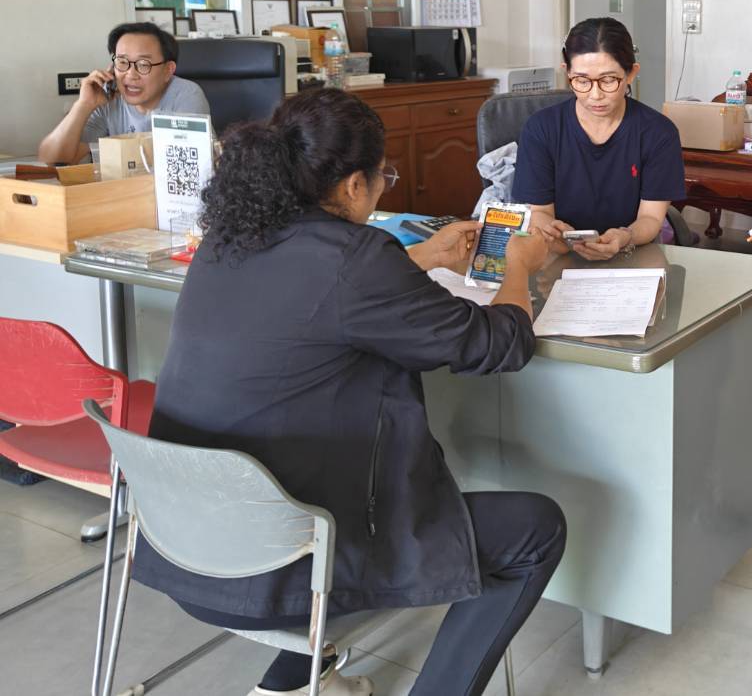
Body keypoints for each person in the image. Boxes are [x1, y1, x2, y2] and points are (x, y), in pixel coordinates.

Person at [132, 88, 563, 696]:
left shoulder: (228, 238)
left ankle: (288, 684)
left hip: (187, 546)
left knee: (298, 467)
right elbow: (498, 344)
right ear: (355, 184)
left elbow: (315, 300)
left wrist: (419, 257)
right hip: (289, 570)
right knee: (536, 528)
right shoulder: (356, 258)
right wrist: (519, 264)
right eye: (384, 177)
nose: (383, 188)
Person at [513, 17, 685, 262]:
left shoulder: (658, 133)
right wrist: (555, 233)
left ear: (631, 73)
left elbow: (650, 218)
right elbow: (539, 211)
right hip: (557, 256)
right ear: (567, 72)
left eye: (608, 80)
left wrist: (625, 236)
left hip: (631, 255)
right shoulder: (541, 129)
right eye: (582, 81)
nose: (595, 95)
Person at [38, 21, 210, 164]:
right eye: (122, 62)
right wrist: (83, 105)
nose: (130, 74)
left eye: (143, 64)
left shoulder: (186, 96)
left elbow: (187, 165)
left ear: (168, 70)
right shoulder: (106, 97)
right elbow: (54, 159)